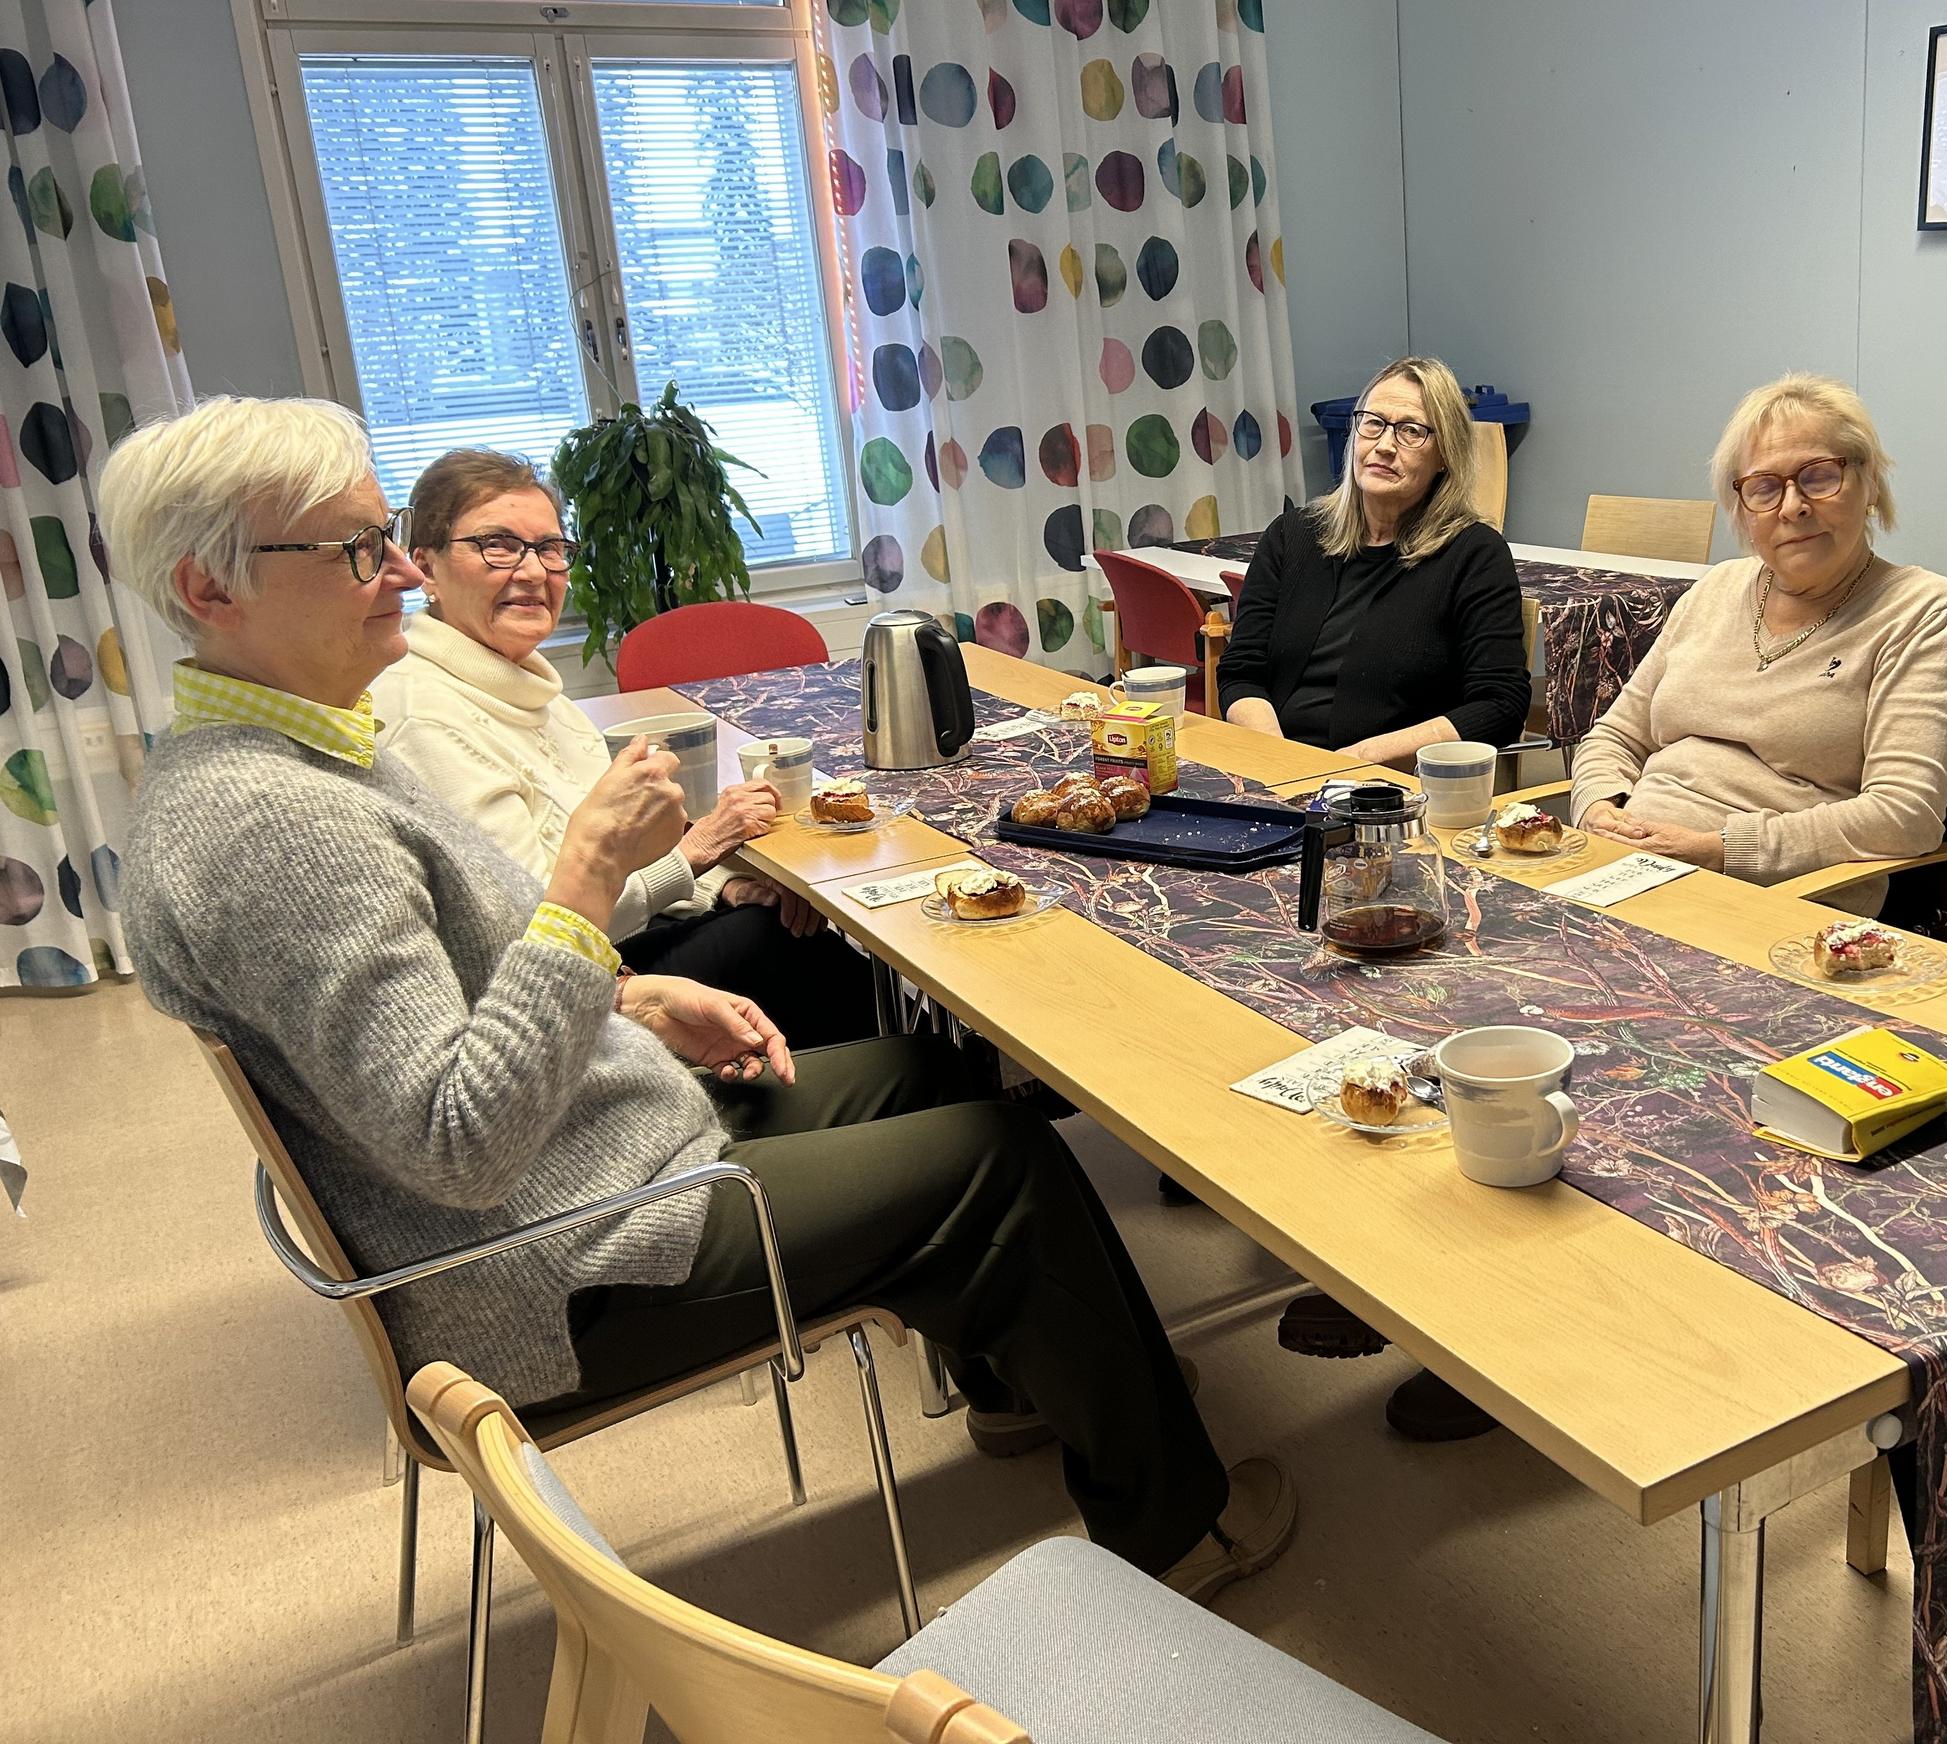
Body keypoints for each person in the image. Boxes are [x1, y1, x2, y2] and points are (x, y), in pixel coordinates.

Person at [104, 397, 1292, 1598]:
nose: (403, 573)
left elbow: (449, 999)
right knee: (1001, 1159)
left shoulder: (294, 757)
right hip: (566, 1256)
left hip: (594, 1145)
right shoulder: (275, 825)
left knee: (933, 1069)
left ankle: (1033, 1377)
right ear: (211, 587)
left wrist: (631, 1001)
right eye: (359, 549)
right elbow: (457, 1142)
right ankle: (1176, 1529)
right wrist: (586, 881)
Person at [371, 449, 872, 1051]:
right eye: (497, 546)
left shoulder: (533, 690)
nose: (533, 572)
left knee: (787, 929)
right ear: (425, 567)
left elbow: (626, 857)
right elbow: (534, 928)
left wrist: (717, 887)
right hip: (556, 997)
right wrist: (694, 855)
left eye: (549, 548)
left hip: (611, 944)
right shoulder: (425, 718)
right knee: (792, 952)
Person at [1569, 373, 1947, 914]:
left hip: (1780, 901)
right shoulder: (1716, 589)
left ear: (1870, 484)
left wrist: (1718, 850)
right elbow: (1616, 736)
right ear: (1742, 509)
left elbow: (1904, 815)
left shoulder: (1921, 612)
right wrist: (1597, 806)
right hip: (1626, 869)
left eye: (1819, 476)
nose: (1793, 507)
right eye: (1764, 488)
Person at [1219, 356, 1530, 764]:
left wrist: (1357, 759)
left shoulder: (1474, 555)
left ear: (1445, 455)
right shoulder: (1292, 535)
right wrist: (1281, 759)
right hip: (1275, 764)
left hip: (1386, 782)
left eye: (1411, 431)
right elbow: (1241, 671)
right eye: (1373, 423)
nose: (1384, 445)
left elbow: (1500, 704)